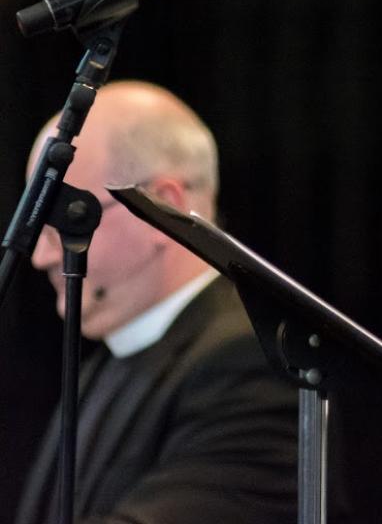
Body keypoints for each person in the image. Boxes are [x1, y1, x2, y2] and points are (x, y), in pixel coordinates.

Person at [17, 80, 298, 524]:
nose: (41, 256)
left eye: (64, 221)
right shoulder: (112, 356)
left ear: (160, 210)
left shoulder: (251, 364)